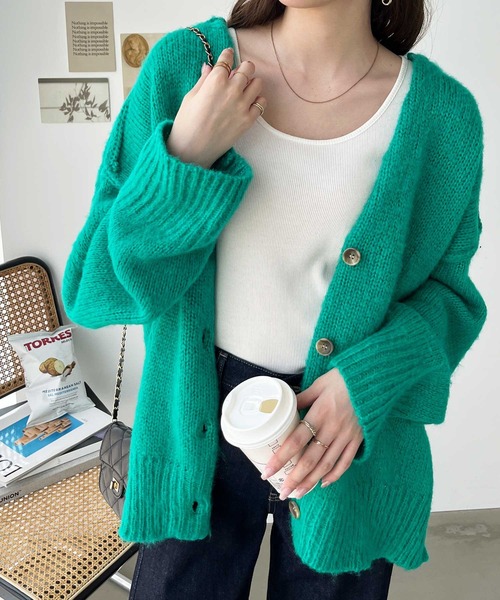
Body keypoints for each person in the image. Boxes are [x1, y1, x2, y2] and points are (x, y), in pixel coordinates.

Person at [61, 0, 488, 598]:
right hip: (194, 420)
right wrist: (183, 157)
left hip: (348, 434)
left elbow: (450, 299)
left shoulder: (443, 115)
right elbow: (94, 287)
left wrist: (365, 384)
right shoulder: (187, 67)